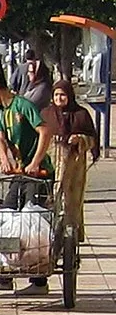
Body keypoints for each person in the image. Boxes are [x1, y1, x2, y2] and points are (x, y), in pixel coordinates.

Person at [0, 63, 53, 293]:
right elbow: (0, 138)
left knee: (32, 220)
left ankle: (39, 280)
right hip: (19, 173)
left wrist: (35, 162)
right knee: (6, 216)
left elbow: (45, 131)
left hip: (38, 173)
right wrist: (4, 160)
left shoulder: (23, 105)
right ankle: (4, 275)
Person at [42, 79, 99, 243]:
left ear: (70, 96)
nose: (59, 98)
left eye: (63, 95)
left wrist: (79, 139)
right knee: (53, 198)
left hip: (74, 164)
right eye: (56, 95)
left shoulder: (81, 114)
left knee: (72, 200)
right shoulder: (46, 114)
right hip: (52, 162)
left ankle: (71, 237)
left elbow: (92, 139)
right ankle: (52, 237)